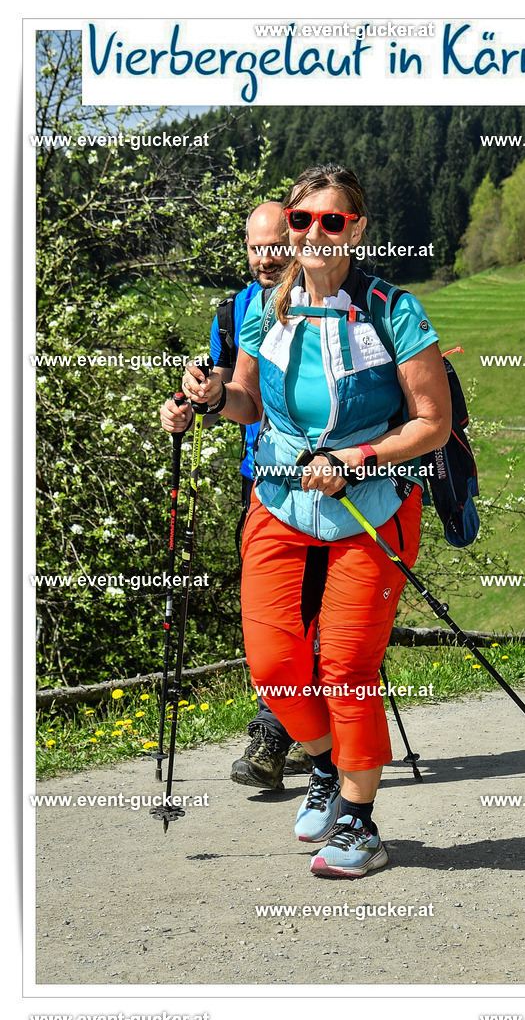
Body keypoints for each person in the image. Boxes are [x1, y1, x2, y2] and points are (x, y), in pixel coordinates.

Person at [182, 163, 451, 878]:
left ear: (356, 230)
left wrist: (357, 457)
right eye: (302, 220)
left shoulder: (394, 311)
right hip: (280, 498)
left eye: (333, 221)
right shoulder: (264, 308)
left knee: (347, 668)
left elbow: (432, 422)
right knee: (274, 666)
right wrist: (213, 396)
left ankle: (360, 823)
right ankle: (327, 763)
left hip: (372, 505)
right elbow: (247, 401)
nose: (314, 234)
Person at [160, 201, 311, 791]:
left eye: (274, 246)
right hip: (260, 477)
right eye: (254, 247)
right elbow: (225, 385)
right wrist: (188, 403)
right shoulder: (234, 311)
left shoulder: (327, 298)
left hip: (329, 475)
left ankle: (281, 732)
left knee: (310, 607)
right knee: (274, 611)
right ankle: (295, 728)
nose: (264, 258)